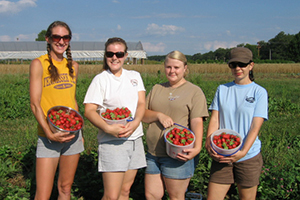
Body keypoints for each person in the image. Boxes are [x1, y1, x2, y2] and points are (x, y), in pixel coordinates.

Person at [83, 37, 146, 200]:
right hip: (112, 141)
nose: (114, 57)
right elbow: (89, 110)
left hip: (135, 139)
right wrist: (108, 128)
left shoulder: (135, 76)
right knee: (112, 196)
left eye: (119, 53)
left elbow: (141, 103)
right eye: (110, 53)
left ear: (125, 55)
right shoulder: (101, 79)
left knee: (125, 191)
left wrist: (136, 122)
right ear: (105, 55)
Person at [142, 50, 209, 200]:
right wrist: (159, 115)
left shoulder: (194, 92)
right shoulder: (157, 88)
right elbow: (143, 115)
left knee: (176, 197)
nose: (172, 71)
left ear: (185, 68)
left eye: (176, 67)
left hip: (177, 154)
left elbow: (197, 121)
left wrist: (197, 147)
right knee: (151, 195)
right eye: (168, 67)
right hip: (153, 153)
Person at [29, 21, 84, 200]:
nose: (61, 41)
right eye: (56, 37)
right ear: (48, 39)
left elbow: (72, 100)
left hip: (72, 135)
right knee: (43, 194)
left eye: (65, 37)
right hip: (48, 136)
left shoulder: (73, 66)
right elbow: (35, 103)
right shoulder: (39, 64)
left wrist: (79, 130)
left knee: (65, 188)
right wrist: (48, 132)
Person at [205, 47, 268, 200]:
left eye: (242, 64)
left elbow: (255, 127)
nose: (238, 68)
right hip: (222, 154)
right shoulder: (223, 89)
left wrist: (243, 152)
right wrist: (209, 142)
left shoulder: (259, 92)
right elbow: (215, 119)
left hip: (248, 156)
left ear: (251, 65)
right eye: (233, 65)